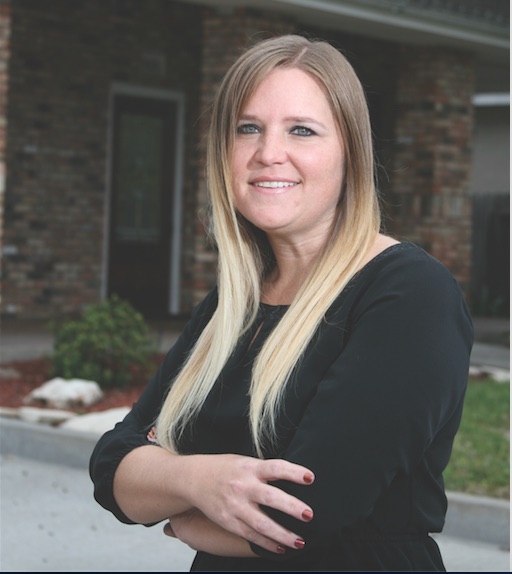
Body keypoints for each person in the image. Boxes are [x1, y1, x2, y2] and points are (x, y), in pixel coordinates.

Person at [89, 34, 473, 572]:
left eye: (302, 130)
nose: (269, 153)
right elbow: (112, 466)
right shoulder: (236, 302)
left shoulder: (410, 293)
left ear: (350, 154)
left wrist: (187, 510)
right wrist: (200, 481)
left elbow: (307, 512)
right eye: (248, 128)